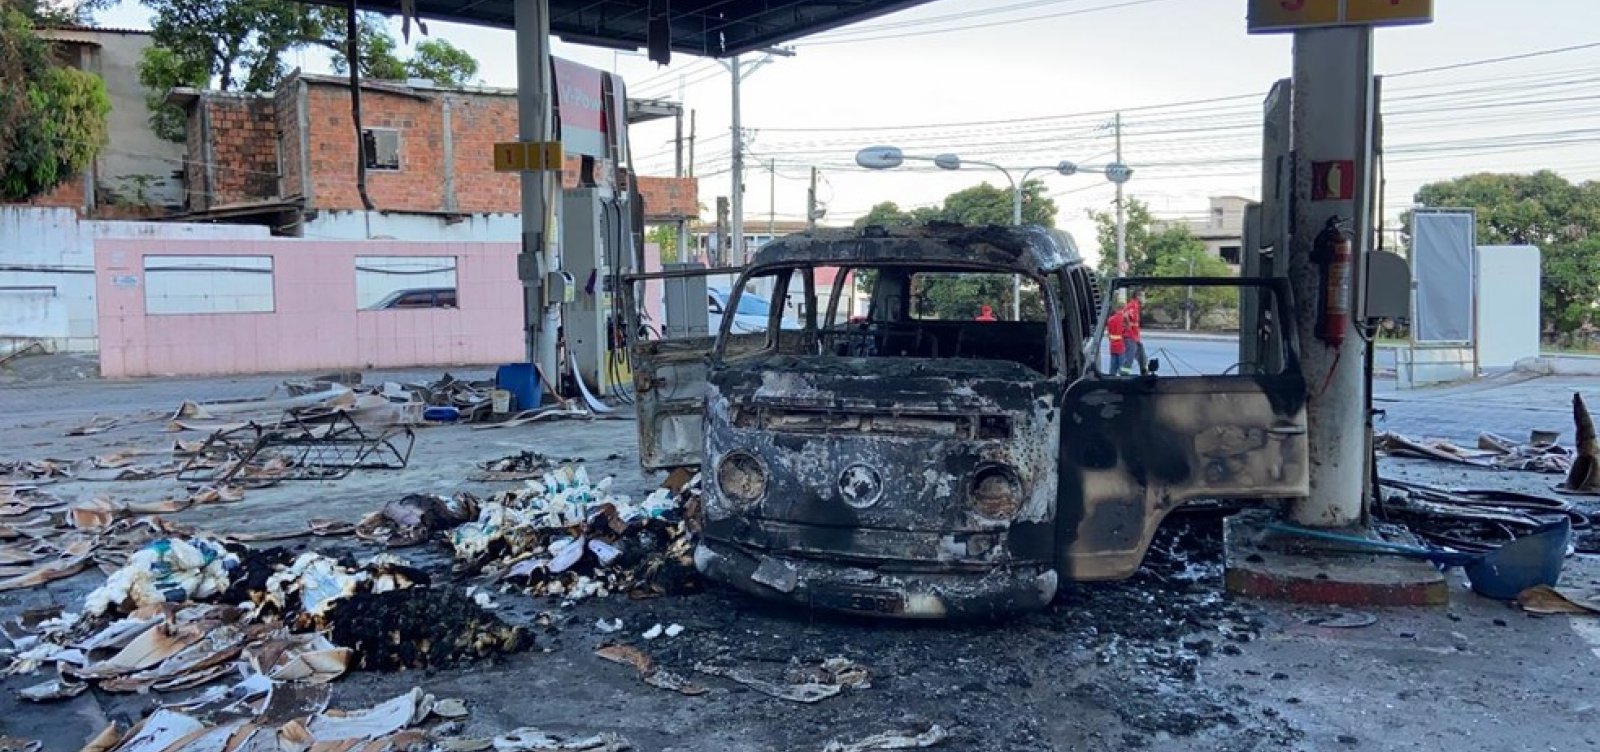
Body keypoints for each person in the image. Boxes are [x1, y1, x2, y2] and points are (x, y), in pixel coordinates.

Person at [1124, 292, 1145, 375]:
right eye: (1142, 296)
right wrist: (1129, 326)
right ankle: (1124, 374)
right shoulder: (1133, 305)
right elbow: (1125, 315)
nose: (1144, 298)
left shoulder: (1136, 305)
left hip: (1135, 336)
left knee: (1142, 355)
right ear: (1137, 296)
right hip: (1130, 336)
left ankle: (1144, 372)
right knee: (1130, 357)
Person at [1106, 301, 1127, 374]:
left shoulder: (1110, 319)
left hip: (1112, 345)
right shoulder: (1123, 319)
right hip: (1122, 345)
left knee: (1113, 367)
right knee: (1123, 368)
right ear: (1123, 308)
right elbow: (1127, 331)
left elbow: (1109, 334)